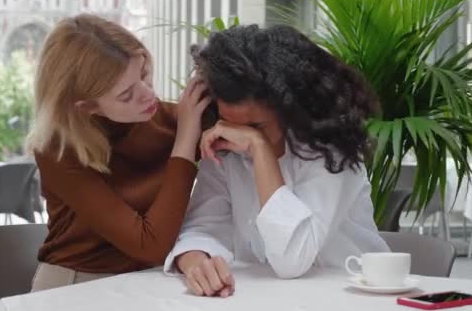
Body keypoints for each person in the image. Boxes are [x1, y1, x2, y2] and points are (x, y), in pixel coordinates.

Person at [164, 24, 389, 297]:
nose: (238, 137)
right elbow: (203, 228)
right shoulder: (223, 146)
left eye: (255, 127)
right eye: (228, 122)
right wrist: (196, 262)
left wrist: (260, 150)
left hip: (350, 296)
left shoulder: (330, 152)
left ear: (289, 109)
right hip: (267, 298)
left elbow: (293, 259)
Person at [27, 14, 210, 291]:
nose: (148, 94)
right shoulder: (58, 148)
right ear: (87, 107)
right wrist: (186, 139)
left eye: (144, 73)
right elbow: (150, 245)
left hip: (153, 279)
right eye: (126, 95)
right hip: (76, 283)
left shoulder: (170, 117)